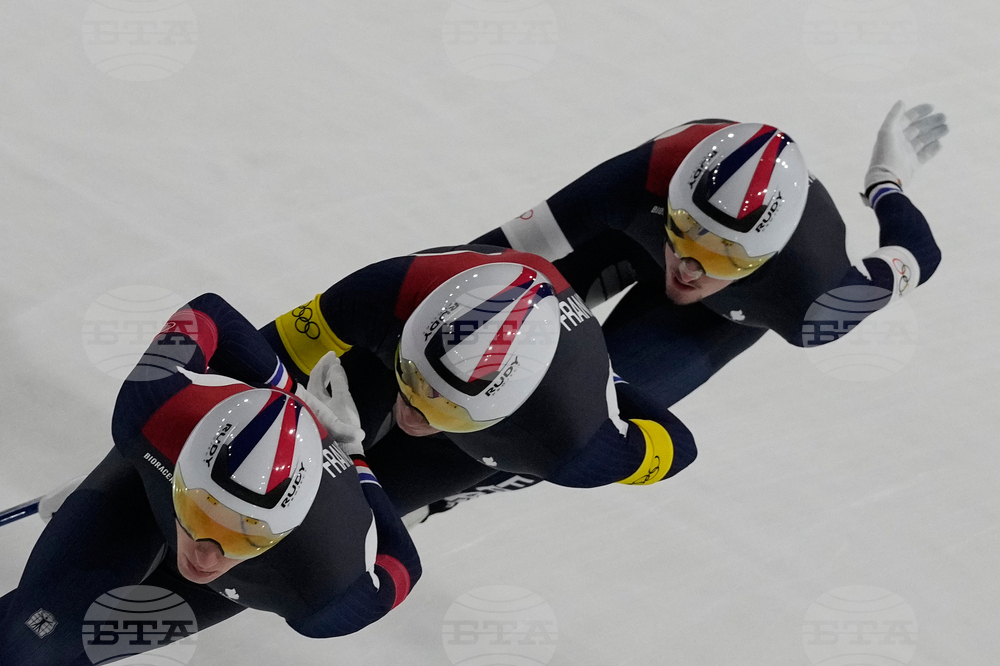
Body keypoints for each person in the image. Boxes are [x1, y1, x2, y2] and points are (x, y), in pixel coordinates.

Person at [0, 293, 420, 666]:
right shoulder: (150, 409)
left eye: (244, 537)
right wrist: (291, 388)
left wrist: (356, 457)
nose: (204, 559)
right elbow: (209, 313)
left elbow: (405, 564)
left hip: (204, 521)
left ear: (284, 532)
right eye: (202, 514)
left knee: (71, 652)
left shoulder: (327, 586)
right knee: (34, 643)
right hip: (149, 491)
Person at [471, 101, 949, 407]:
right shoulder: (648, 173)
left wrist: (886, 181)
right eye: (687, 235)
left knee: (574, 409)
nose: (689, 268)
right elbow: (484, 262)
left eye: (726, 259)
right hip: (638, 230)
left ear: (765, 259)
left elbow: (919, 253)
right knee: (479, 305)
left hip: (718, 316)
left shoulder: (815, 303)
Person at [260, 247, 697, 516]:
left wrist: (601, 380)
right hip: (429, 324)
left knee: (342, 515)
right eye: (415, 383)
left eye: (444, 406)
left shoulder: (578, 447)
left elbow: (680, 447)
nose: (414, 414)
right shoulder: (388, 293)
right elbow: (247, 355)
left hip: (516, 420)